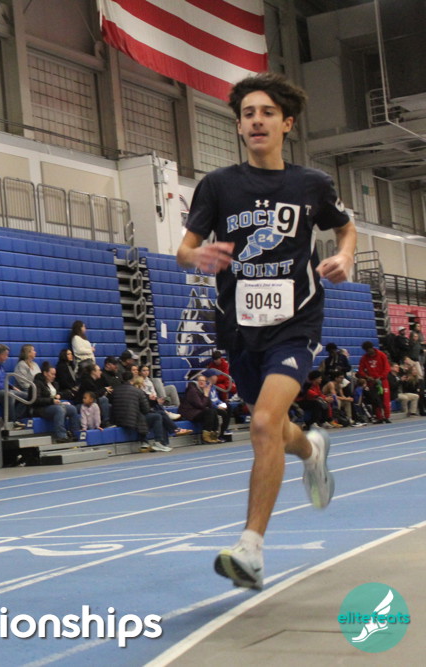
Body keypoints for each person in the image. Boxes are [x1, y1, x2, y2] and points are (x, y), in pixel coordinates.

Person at [177, 72, 356, 590]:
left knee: (261, 424)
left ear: (286, 123)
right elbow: (184, 249)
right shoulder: (218, 185)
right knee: (272, 428)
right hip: (239, 327)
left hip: (295, 321)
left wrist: (345, 255)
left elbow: (344, 225)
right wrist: (197, 256)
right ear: (239, 126)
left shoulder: (310, 184)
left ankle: (251, 549)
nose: (257, 121)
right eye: (248, 114)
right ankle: (311, 450)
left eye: (267, 113)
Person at [110, 371, 171, 452]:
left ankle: (147, 442)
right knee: (157, 416)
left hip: (117, 420)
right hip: (131, 420)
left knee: (144, 417)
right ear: (132, 380)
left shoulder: (115, 391)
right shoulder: (138, 391)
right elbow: (146, 409)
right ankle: (158, 442)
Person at [32, 363, 82, 443]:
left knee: (72, 409)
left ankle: (75, 433)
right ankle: (61, 436)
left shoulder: (55, 384)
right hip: (41, 408)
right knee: (59, 409)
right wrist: (51, 401)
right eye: (52, 374)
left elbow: (57, 394)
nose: (54, 376)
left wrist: (59, 395)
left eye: (55, 374)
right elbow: (36, 400)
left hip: (53, 405)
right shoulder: (37, 383)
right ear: (45, 373)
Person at [0, 344, 27, 426]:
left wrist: (12, 387)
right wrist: (8, 389)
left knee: (26, 395)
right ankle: (11, 422)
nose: (7, 357)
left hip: (0, 390)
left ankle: (16, 418)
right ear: (1, 354)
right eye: (6, 355)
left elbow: (4, 380)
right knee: (9, 394)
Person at [180, 374, 224, 444]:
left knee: (216, 411)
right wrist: (206, 395)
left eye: (203, 381)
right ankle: (206, 437)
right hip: (190, 412)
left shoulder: (203, 389)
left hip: (199, 411)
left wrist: (207, 394)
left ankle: (215, 435)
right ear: (196, 381)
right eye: (200, 380)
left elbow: (209, 404)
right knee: (209, 412)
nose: (202, 382)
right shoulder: (192, 390)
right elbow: (200, 405)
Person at [357, 340, 390, 423]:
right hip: (371, 382)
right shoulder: (364, 358)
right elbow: (360, 370)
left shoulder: (382, 355)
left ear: (372, 348)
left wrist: (381, 377)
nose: (368, 352)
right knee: (375, 400)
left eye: (369, 350)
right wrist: (367, 377)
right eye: (366, 351)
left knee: (385, 399)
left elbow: (387, 368)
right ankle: (379, 417)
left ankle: (386, 416)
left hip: (382, 381)